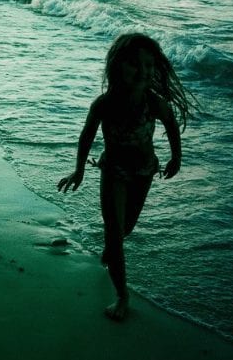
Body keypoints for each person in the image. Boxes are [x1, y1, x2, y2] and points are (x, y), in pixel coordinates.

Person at [57, 33, 195, 321]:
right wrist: (79, 169)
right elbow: (86, 136)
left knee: (126, 228)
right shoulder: (104, 104)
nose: (143, 70)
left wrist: (176, 157)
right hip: (114, 172)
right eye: (134, 64)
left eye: (148, 64)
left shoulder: (153, 103)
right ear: (118, 66)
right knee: (114, 232)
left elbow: (171, 124)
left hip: (144, 172)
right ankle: (122, 295)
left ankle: (112, 247)